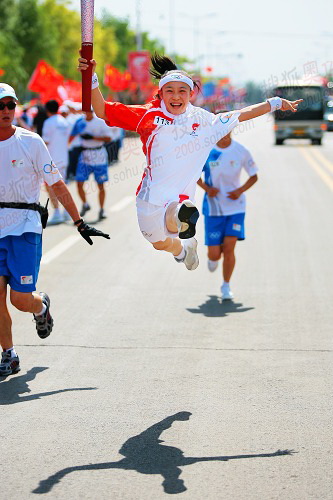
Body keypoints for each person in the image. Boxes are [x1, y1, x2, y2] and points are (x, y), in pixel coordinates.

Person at [78, 53, 302, 271]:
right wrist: (92, 78)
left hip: (181, 196)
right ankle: (183, 251)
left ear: (191, 93)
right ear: (161, 93)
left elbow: (241, 114)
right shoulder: (148, 116)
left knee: (179, 212)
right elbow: (102, 110)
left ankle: (181, 216)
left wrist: (274, 102)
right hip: (150, 195)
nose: (176, 96)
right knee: (158, 242)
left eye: (182, 91)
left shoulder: (205, 120)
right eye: (170, 91)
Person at [0, 83, 110, 376]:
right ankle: (9, 355)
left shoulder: (31, 142)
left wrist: (79, 221)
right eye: (1, 106)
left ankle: (40, 307)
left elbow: (57, 184)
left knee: (19, 299)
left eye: (10, 105)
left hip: (24, 227)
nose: (6, 111)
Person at [197, 130, 258, 300]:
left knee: (230, 246)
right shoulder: (207, 151)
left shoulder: (241, 151)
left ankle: (226, 286)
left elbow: (254, 176)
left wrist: (240, 190)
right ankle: (214, 257)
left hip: (236, 208)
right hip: (213, 208)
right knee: (215, 253)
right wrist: (207, 189)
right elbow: (193, 174)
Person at [69, 109, 112, 221]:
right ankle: (85, 204)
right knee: (79, 183)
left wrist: (92, 137)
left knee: (101, 185)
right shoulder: (80, 122)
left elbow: (109, 138)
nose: (88, 113)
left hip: (99, 156)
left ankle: (102, 209)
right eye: (86, 111)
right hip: (85, 155)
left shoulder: (100, 122)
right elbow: (71, 135)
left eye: (90, 111)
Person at [42, 100, 70, 224]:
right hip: (64, 157)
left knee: (51, 187)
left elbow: (46, 141)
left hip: (51, 160)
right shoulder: (64, 122)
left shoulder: (48, 123)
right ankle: (66, 212)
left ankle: (58, 212)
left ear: (47, 110)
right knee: (62, 186)